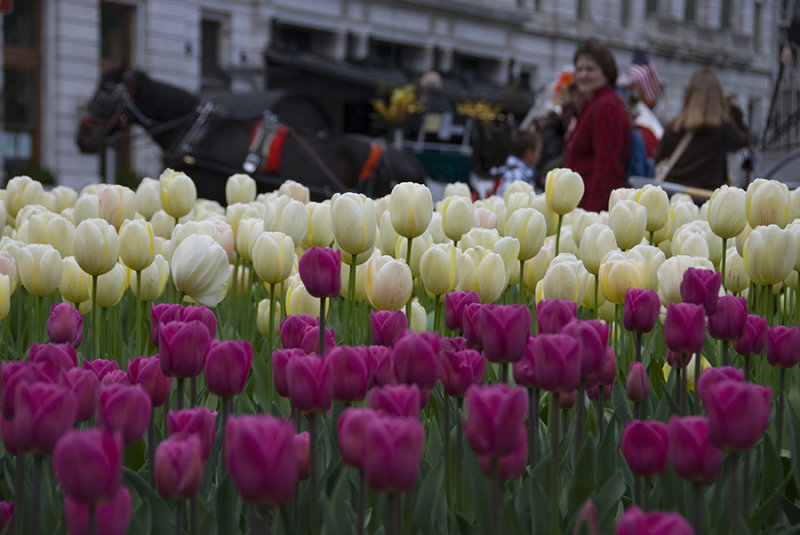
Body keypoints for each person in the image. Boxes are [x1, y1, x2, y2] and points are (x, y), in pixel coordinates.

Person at [563, 39, 632, 212]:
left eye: (590, 69)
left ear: (606, 73)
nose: (583, 75)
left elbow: (607, 168)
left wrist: (594, 216)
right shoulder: (594, 104)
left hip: (590, 210)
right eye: (579, 69)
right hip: (579, 205)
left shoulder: (607, 107)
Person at [653, 69, 749, 190]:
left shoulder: (674, 126)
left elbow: (658, 158)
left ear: (690, 95)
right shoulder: (723, 128)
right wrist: (734, 109)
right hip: (706, 198)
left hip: (675, 193)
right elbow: (744, 140)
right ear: (717, 98)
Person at [493, 129, 542, 196]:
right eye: (538, 151)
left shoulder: (525, 171)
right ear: (529, 152)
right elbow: (506, 199)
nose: (540, 155)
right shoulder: (515, 175)